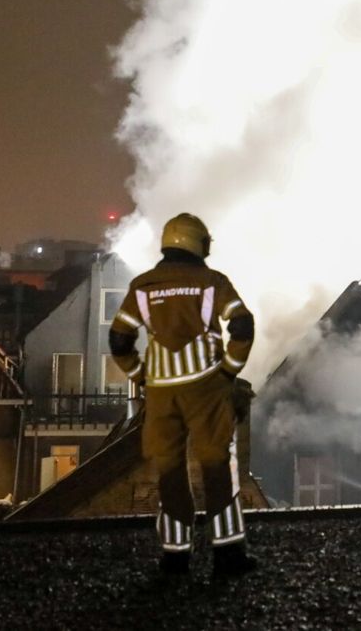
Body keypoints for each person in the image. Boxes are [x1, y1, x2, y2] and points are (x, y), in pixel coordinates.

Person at [109, 213, 256, 576]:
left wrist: (141, 376)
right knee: (218, 467)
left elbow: (119, 339)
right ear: (197, 244)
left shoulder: (142, 287)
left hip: (160, 394)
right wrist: (228, 371)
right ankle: (227, 556)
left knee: (169, 472)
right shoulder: (211, 282)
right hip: (206, 387)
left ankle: (175, 558)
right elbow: (241, 324)